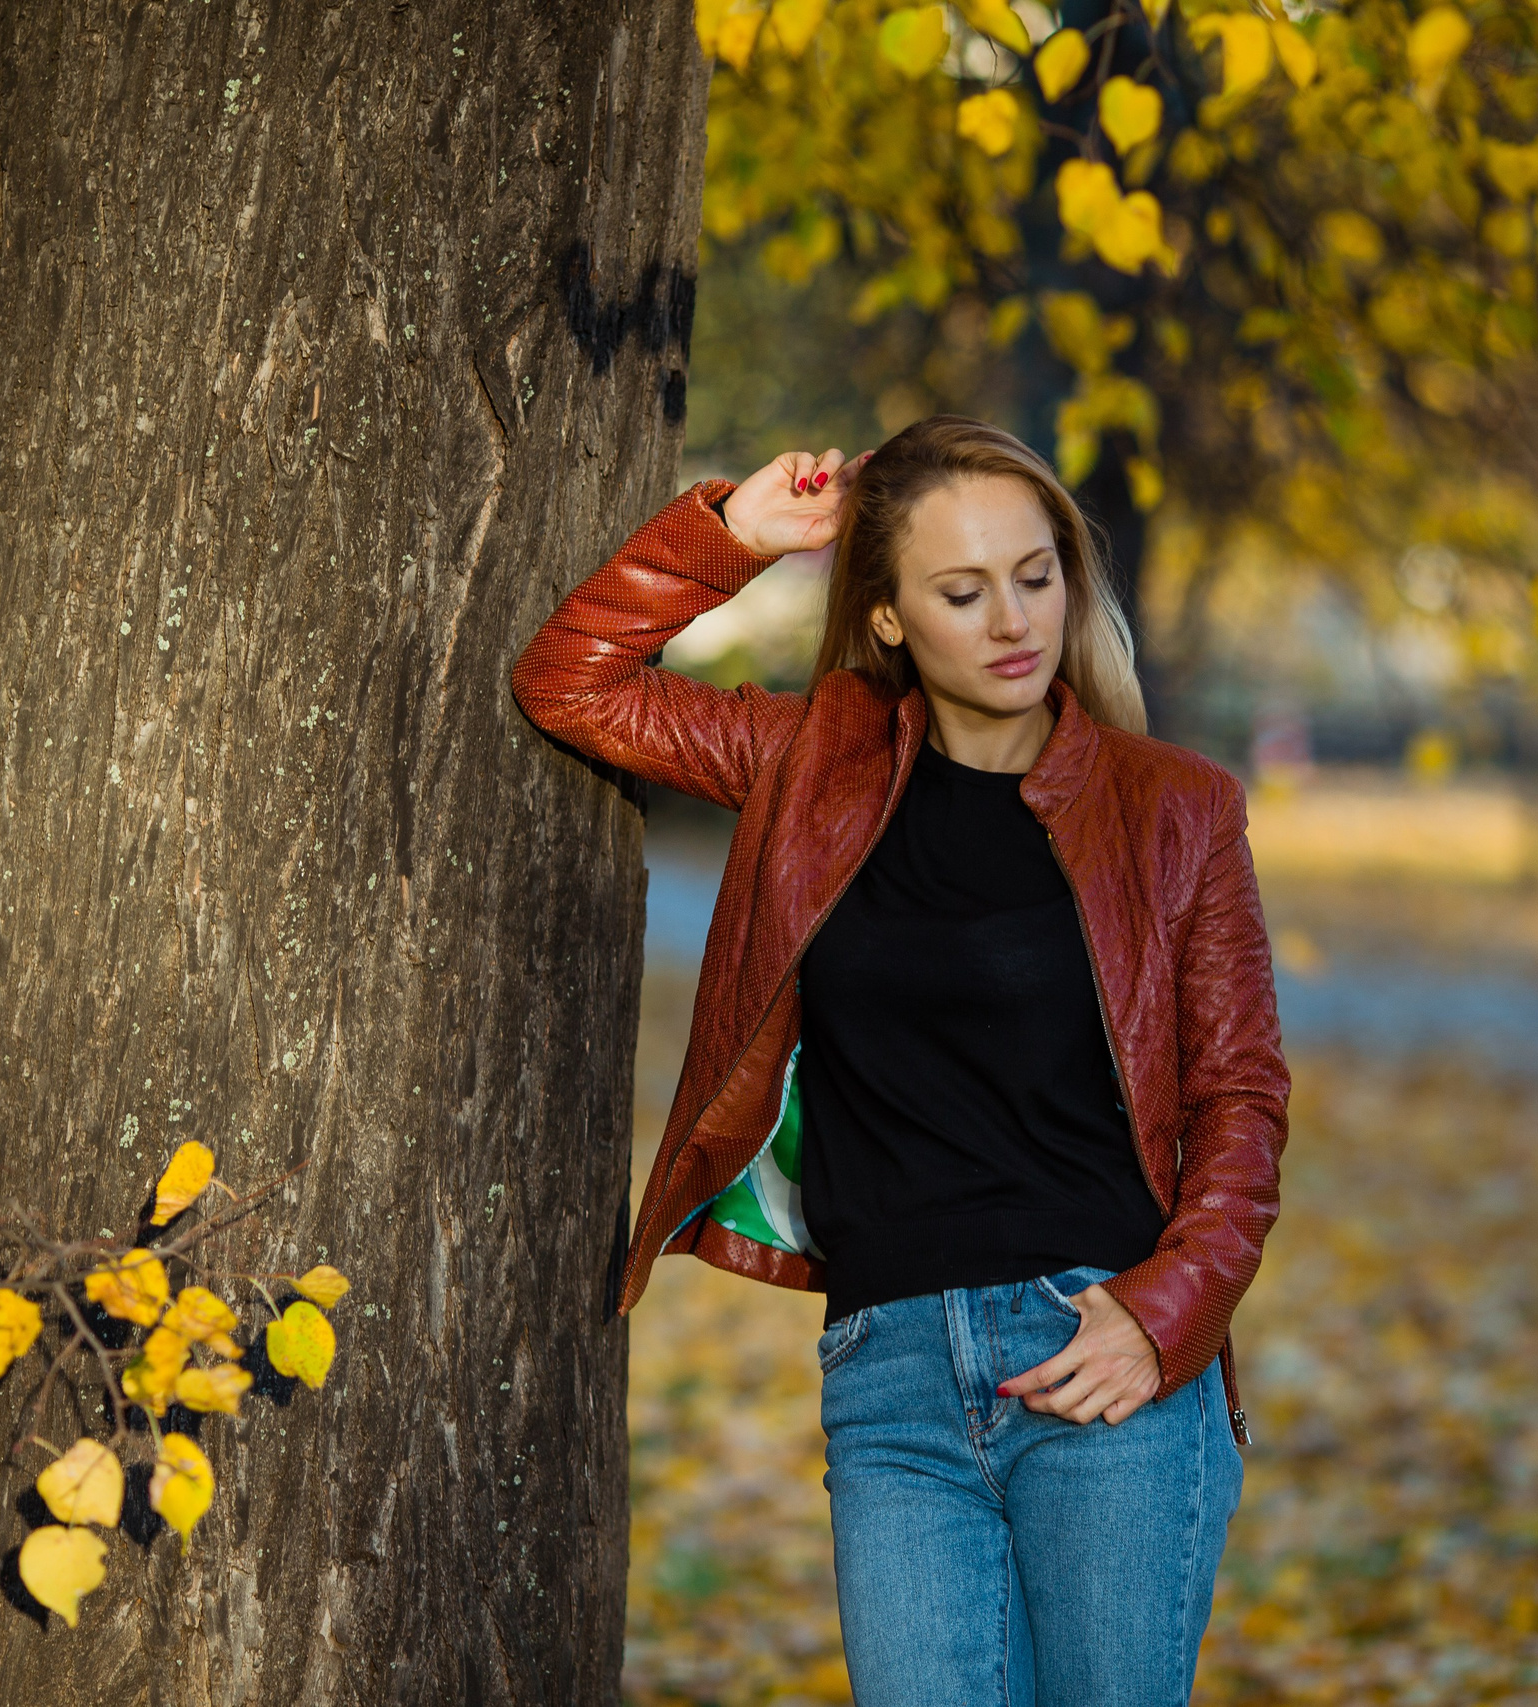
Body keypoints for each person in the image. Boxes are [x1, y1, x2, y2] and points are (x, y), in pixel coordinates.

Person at [511, 415, 1289, 1707]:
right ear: (885, 617)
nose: (1012, 622)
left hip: (1100, 1359)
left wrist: (1165, 1321)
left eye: (1035, 576)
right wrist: (733, 536)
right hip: (892, 1382)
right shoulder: (807, 769)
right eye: (962, 591)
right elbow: (573, 682)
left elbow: (1240, 1100)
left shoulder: (1175, 809)